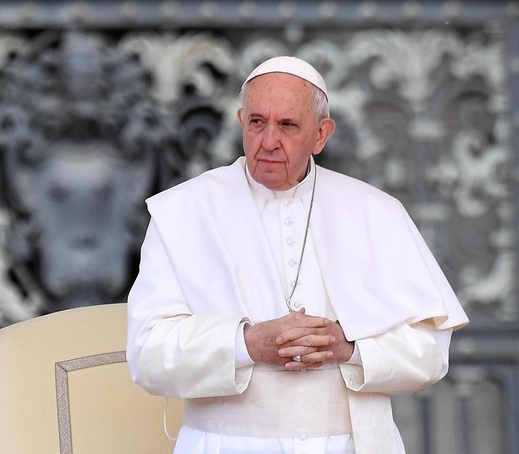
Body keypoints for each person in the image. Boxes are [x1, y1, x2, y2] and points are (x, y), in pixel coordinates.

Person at [125, 56, 469, 454]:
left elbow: (429, 354)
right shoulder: (182, 212)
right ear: (241, 121)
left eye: (287, 125)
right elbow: (147, 354)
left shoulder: (375, 211)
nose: (268, 141)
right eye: (257, 122)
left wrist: (347, 346)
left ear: (321, 134)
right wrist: (247, 344)